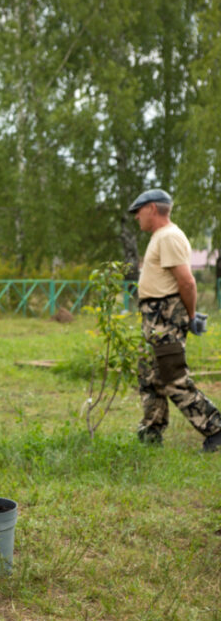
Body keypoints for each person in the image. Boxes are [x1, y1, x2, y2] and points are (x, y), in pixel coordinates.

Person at [128, 188, 221, 452]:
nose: (137, 218)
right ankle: (151, 433)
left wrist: (191, 316)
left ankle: (216, 429)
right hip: (155, 318)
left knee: (172, 378)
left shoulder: (169, 236)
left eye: (139, 212)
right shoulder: (161, 236)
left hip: (165, 318)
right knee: (150, 376)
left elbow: (187, 281)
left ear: (152, 209)